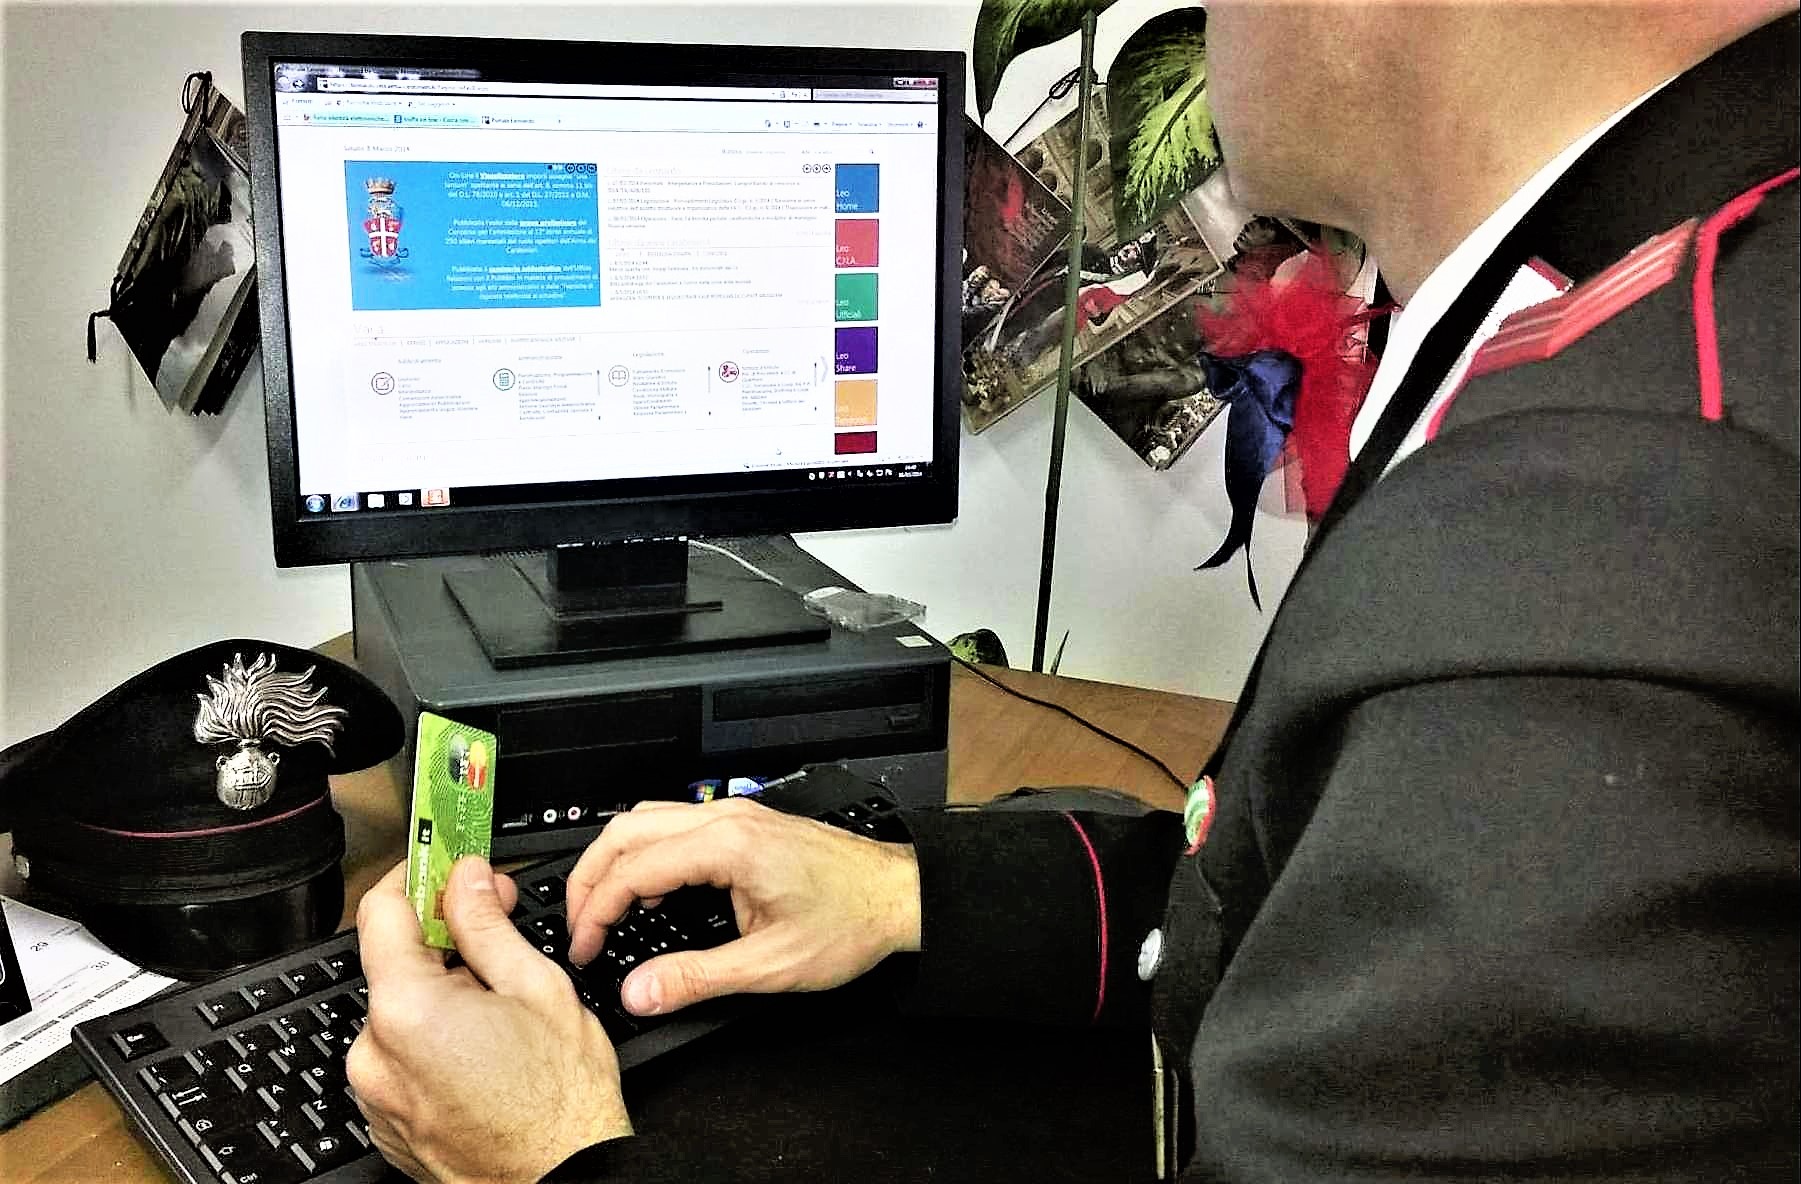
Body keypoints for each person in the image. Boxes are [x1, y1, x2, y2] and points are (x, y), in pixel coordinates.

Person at [347, 3, 1799, 1180]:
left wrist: (545, 1158)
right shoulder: (1655, 331)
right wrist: (911, 889)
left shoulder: (1606, 540)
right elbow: (1307, 902)